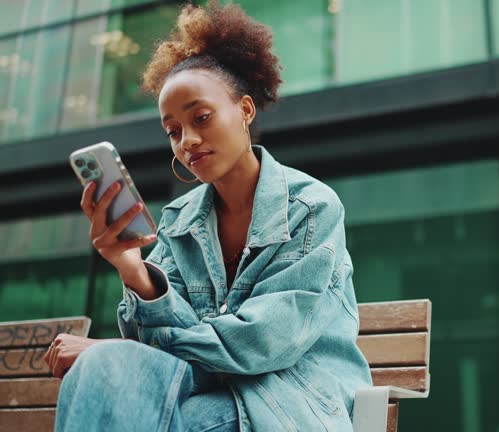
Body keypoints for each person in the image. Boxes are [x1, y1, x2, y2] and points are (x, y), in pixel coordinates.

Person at [44, 2, 372, 431]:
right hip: (203, 392)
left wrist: (114, 351)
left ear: (245, 111)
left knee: (118, 372)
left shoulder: (311, 208)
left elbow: (262, 344)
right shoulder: (179, 220)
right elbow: (153, 353)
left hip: (289, 403)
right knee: (112, 373)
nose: (188, 141)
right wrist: (131, 269)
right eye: (173, 131)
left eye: (201, 118)